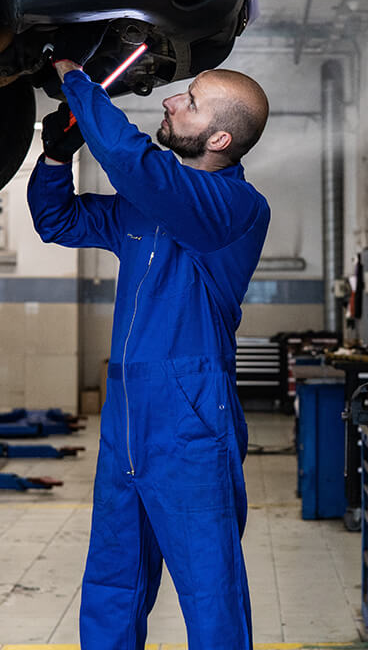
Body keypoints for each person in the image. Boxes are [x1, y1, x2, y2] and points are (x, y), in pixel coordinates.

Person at [27, 54, 271, 650]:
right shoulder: (146, 206)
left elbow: (139, 168)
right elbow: (57, 220)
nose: (170, 102)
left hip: (189, 418)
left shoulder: (236, 209)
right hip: (128, 417)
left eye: (188, 100)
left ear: (218, 138)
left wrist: (78, 84)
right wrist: (58, 156)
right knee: (114, 578)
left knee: (209, 589)